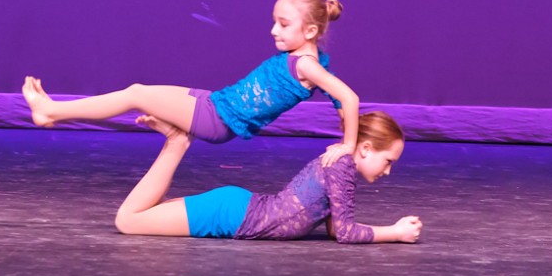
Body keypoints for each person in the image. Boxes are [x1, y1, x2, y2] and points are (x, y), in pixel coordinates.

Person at [23, 0, 360, 165]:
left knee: (135, 94)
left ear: (311, 30)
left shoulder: (307, 66)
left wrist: (348, 145)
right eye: (274, 21)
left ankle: (50, 111)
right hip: (215, 102)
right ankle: (52, 112)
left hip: (219, 120)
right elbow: (338, 98)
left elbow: (349, 97)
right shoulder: (314, 63)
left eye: (283, 25)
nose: (273, 30)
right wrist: (343, 117)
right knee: (138, 91)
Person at [114, 112, 423, 244]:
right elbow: (345, 233)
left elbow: (335, 228)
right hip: (232, 216)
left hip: (238, 208)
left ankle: (176, 143)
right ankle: (177, 142)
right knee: (128, 221)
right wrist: (394, 232)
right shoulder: (341, 165)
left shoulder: (340, 164)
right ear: (366, 149)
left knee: (147, 212)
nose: (387, 171)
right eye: (388, 161)